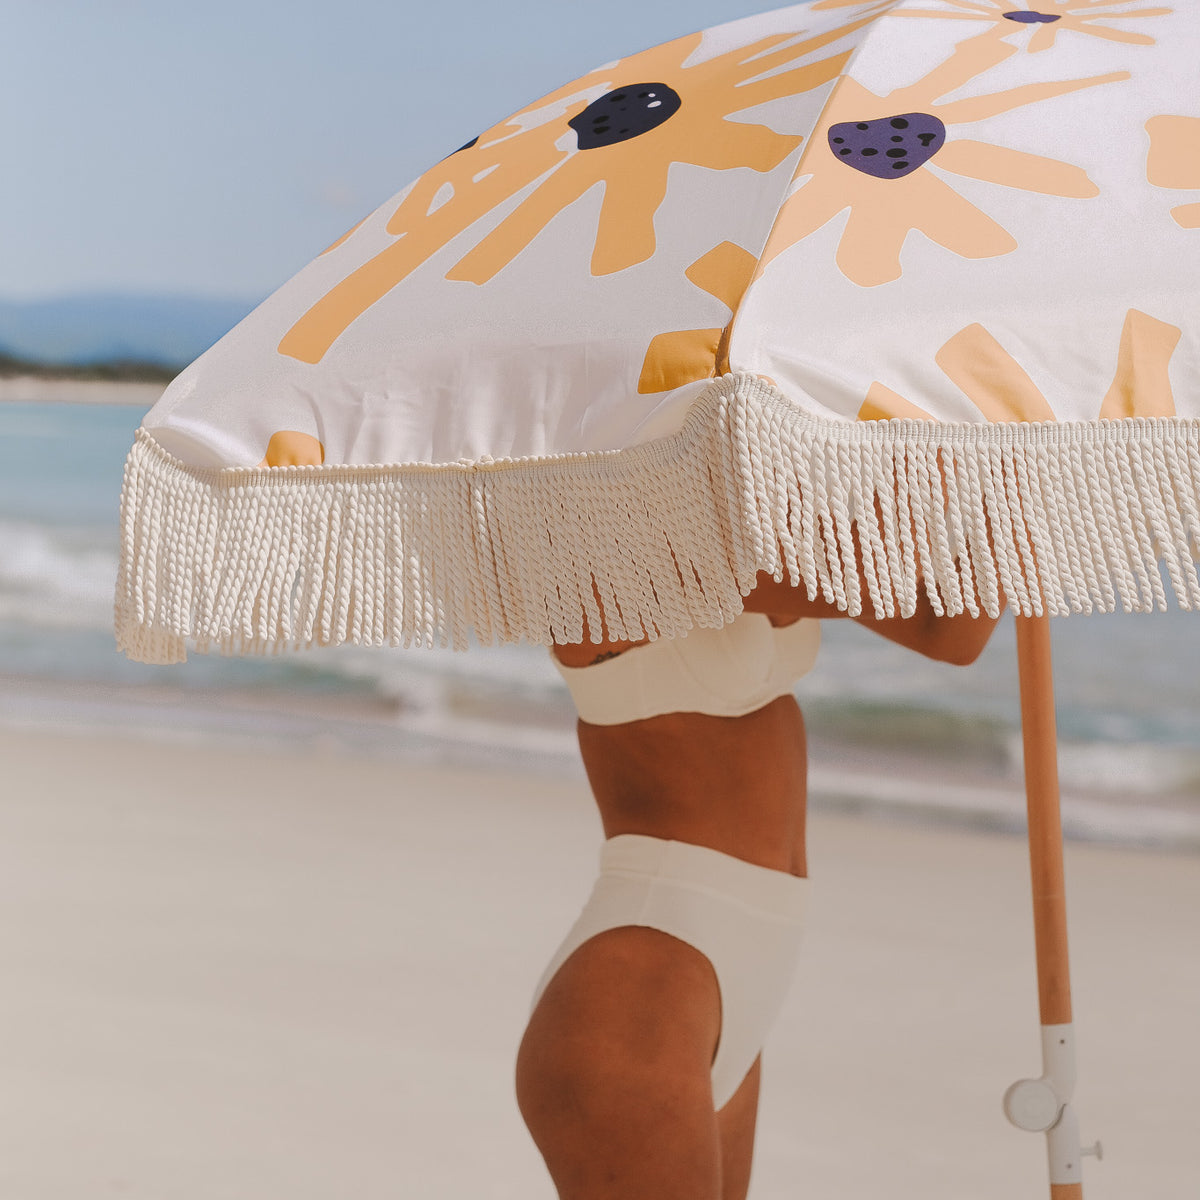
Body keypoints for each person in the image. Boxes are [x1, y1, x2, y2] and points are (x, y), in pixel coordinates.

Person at [515, 570, 1000, 1200]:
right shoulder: (613, 539)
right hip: (643, 985)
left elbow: (955, 617)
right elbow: (946, 631)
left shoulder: (728, 516)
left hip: (724, 981)